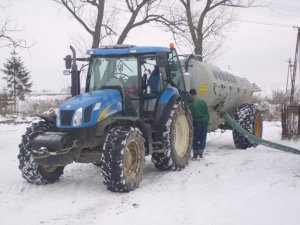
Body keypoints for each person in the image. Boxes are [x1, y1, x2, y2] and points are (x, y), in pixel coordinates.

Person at [188, 89, 210, 160]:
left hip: (196, 121)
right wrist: (207, 121)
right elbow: (207, 112)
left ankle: (195, 154)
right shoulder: (203, 101)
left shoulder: (190, 102)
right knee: (203, 137)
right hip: (205, 121)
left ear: (190, 94)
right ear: (196, 93)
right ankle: (201, 154)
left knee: (196, 138)